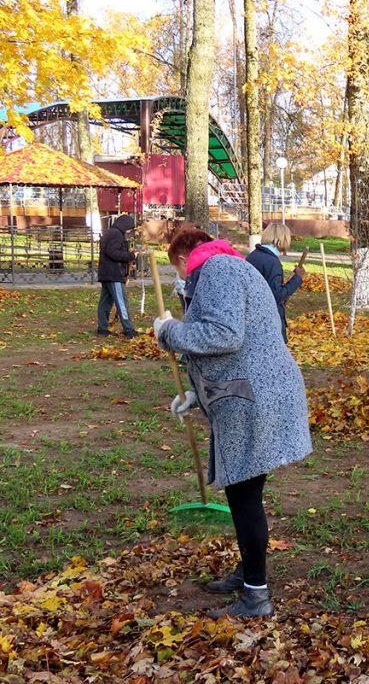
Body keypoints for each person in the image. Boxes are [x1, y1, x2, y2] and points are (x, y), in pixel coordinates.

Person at [153, 225, 312, 618]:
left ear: (185, 254)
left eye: (177, 265)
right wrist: (197, 394)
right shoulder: (228, 267)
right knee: (245, 493)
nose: (180, 275)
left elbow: (224, 335)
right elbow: (235, 339)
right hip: (247, 392)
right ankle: (248, 572)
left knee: (244, 496)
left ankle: (256, 596)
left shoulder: (218, 270)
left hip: (254, 397)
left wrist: (169, 331)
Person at [245, 222, 305, 342]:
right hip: (268, 323)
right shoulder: (272, 262)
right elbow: (276, 295)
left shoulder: (253, 256)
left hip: (252, 318)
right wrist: (297, 278)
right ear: (282, 240)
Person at [96, 214, 139, 339]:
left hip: (107, 273)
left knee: (105, 302)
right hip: (114, 273)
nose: (129, 231)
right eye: (130, 228)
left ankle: (102, 328)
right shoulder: (116, 234)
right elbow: (113, 252)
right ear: (125, 225)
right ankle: (128, 329)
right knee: (121, 302)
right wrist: (130, 256)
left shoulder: (110, 232)